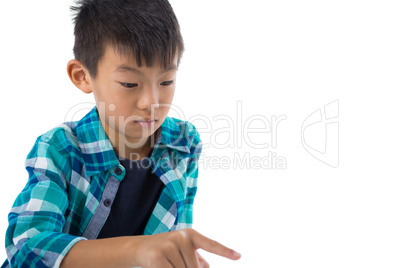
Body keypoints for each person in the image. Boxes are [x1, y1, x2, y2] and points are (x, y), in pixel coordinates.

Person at [1, 0, 241, 267]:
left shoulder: (183, 143)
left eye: (166, 81)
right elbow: (27, 249)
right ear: (83, 76)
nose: (151, 102)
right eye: (130, 83)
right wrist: (137, 250)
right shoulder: (59, 148)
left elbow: (174, 240)